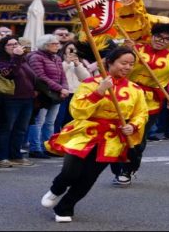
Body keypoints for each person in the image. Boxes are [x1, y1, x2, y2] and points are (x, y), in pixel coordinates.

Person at [40, 47, 148, 223]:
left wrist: (132, 126)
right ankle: (57, 189)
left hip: (112, 139)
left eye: (131, 64)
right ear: (109, 63)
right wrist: (99, 91)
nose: (128, 67)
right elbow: (77, 110)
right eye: (123, 63)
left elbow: (141, 113)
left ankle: (65, 207)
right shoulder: (90, 83)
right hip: (84, 133)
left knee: (88, 178)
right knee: (70, 173)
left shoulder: (135, 89)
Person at [111, 23, 169, 185]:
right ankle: (118, 167)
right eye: (158, 36)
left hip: (150, 104)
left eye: (166, 39)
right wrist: (122, 51)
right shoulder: (134, 49)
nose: (161, 41)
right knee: (116, 135)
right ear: (152, 35)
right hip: (122, 98)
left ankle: (128, 169)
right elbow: (111, 62)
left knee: (137, 139)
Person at [0, 36, 36, 167]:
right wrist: (16, 57)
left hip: (27, 98)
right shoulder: (0, 61)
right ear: (3, 48)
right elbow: (10, 74)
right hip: (10, 99)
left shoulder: (24, 60)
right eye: (10, 45)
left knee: (21, 129)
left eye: (16, 43)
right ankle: (1, 157)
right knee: (6, 128)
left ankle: (16, 155)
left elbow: (32, 76)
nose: (14, 46)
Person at [27, 34, 69, 159]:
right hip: (43, 94)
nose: (57, 46)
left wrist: (64, 88)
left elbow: (63, 75)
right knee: (39, 121)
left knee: (50, 122)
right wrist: (60, 88)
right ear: (45, 45)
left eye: (57, 44)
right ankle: (35, 148)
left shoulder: (56, 57)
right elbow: (40, 76)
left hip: (55, 94)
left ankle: (48, 147)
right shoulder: (36, 57)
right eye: (54, 44)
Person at [54, 41, 91, 134]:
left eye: (74, 49)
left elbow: (86, 78)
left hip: (75, 95)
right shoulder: (59, 61)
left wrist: (77, 64)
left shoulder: (80, 62)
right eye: (69, 49)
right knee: (58, 119)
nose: (72, 51)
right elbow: (58, 74)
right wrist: (67, 62)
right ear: (64, 50)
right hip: (62, 94)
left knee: (70, 120)